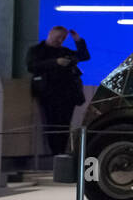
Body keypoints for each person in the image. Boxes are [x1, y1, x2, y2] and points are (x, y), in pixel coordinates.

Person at [27, 25, 90, 157]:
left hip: (67, 94)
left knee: (64, 124)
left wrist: (78, 40)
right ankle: (54, 152)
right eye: (58, 37)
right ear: (50, 34)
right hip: (47, 93)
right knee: (51, 124)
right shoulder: (37, 50)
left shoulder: (65, 51)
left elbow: (84, 56)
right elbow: (32, 66)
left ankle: (62, 151)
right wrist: (55, 62)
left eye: (62, 38)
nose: (59, 40)